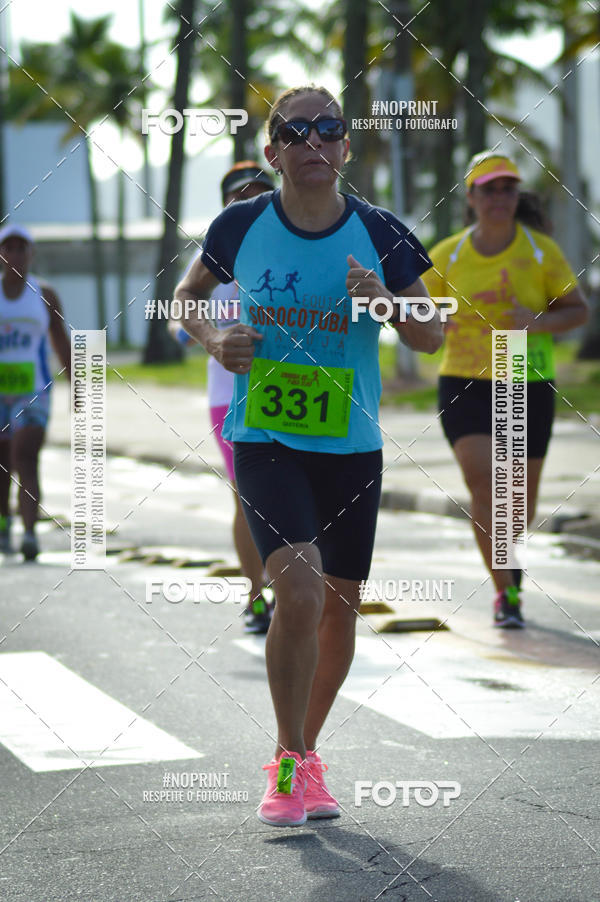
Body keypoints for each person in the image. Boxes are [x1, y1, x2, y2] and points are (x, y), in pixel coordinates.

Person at [174, 84, 442, 827]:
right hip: (265, 438)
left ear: (346, 147)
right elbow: (186, 298)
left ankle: (310, 752)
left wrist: (388, 305)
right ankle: (287, 763)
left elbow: (431, 334)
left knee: (339, 612)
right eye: (296, 131)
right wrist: (211, 338)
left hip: (350, 448)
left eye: (329, 128)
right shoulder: (239, 225)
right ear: (274, 151)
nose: (313, 141)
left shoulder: (381, 231)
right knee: (297, 591)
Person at [422, 151, 589, 628]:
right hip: (464, 382)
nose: (500, 197)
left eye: (508, 188)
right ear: (471, 198)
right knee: (484, 484)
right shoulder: (448, 254)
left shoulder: (539, 252)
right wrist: (434, 317)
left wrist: (536, 322)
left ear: (518, 196)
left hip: (525, 380)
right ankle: (505, 594)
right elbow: (414, 311)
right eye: (489, 189)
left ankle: (508, 570)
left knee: (519, 503)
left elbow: (576, 311)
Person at [169, 161, 275, 633]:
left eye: (260, 193)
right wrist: (207, 336)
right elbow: (182, 312)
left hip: (292, 392)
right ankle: (256, 597)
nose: (251, 203)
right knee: (248, 499)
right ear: (226, 204)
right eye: (240, 196)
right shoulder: (216, 255)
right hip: (230, 398)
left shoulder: (294, 249)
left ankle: (295, 590)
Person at [0, 224, 71, 560]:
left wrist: (77, 386)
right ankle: (4, 522)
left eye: (21, 248)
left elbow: (61, 341)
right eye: (8, 248)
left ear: (31, 253)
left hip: (34, 390)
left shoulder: (43, 295)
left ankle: (29, 533)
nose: (14, 254)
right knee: (3, 460)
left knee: (25, 455)